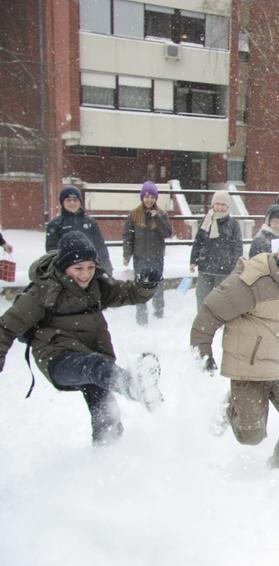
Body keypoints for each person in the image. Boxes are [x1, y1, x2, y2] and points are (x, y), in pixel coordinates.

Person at [0, 231, 163, 444]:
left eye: (90, 267)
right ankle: (131, 385)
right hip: (56, 356)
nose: (85, 274)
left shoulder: (97, 285)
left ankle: (106, 453)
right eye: (78, 268)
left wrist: (145, 285)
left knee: (105, 409)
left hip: (93, 354)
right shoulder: (43, 292)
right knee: (95, 367)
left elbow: (128, 293)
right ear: (63, 266)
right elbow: (6, 327)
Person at [190, 235, 279, 469]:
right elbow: (210, 312)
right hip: (250, 370)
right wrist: (203, 352)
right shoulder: (250, 282)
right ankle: (230, 405)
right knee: (250, 436)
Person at [122, 181, 172, 325]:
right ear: (142, 197)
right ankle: (141, 319)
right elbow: (127, 236)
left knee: (157, 287)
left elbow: (168, 233)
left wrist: (158, 218)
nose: (149, 199)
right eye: (147, 196)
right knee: (141, 288)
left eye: (152, 197)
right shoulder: (134, 215)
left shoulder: (162, 214)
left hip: (157, 258)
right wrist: (127, 255)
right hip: (140, 258)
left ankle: (159, 315)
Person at [190, 190, 244, 310]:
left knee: (223, 300)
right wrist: (193, 260)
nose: (219, 207)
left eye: (223, 204)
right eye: (217, 204)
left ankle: (221, 323)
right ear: (213, 204)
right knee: (202, 298)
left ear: (228, 206)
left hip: (224, 269)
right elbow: (198, 242)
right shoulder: (206, 222)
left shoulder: (233, 224)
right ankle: (203, 322)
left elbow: (238, 247)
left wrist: (236, 265)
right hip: (205, 267)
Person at [46, 185, 113, 275]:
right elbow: (52, 250)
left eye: (75, 200)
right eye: (68, 200)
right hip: (67, 270)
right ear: (62, 202)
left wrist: (106, 268)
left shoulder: (90, 222)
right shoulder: (55, 224)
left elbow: (100, 247)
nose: (72, 203)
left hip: (89, 268)